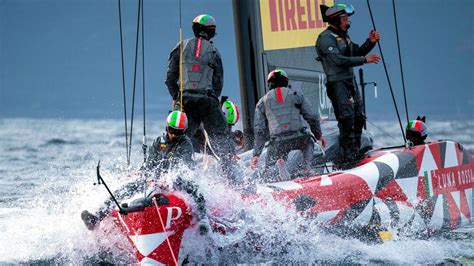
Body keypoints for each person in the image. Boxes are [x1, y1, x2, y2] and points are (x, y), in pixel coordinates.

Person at [81, 111, 209, 234]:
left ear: (184, 131)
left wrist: (169, 178)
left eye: (178, 132)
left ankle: (204, 219)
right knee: (127, 188)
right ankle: (97, 217)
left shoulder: (186, 144)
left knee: (193, 188)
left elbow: (182, 166)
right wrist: (145, 175)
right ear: (166, 127)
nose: (174, 135)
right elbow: (150, 164)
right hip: (156, 179)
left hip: (176, 179)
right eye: (172, 131)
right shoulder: (158, 141)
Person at [165, 14, 240, 183]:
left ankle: (177, 178)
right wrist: (212, 99)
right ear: (210, 32)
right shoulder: (214, 51)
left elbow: (170, 77)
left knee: (181, 138)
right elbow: (218, 81)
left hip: (184, 100)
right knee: (222, 139)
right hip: (207, 100)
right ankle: (234, 181)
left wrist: (176, 97)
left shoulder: (180, 46)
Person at [315, 4, 380, 168]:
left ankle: (356, 153)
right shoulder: (326, 39)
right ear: (335, 20)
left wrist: (370, 42)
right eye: (344, 19)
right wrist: (365, 60)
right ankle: (346, 159)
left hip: (350, 82)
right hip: (338, 84)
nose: (348, 22)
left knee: (359, 118)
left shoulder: (344, 36)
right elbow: (338, 60)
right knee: (347, 120)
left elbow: (355, 51)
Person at [250, 69, 326, 182]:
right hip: (299, 138)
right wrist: (319, 135)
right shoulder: (297, 96)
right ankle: (306, 168)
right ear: (286, 81)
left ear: (269, 84)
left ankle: (275, 173)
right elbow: (312, 117)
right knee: (310, 142)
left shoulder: (262, 102)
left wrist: (256, 154)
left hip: (277, 142)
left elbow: (259, 130)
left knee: (269, 171)